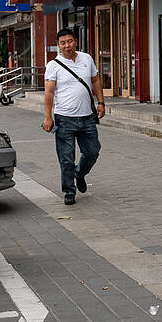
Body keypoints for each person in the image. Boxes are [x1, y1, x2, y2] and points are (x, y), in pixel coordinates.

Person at [41, 28, 105, 206]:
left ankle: (80, 173)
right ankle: (69, 190)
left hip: (87, 117)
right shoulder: (53, 65)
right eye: (63, 43)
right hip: (64, 119)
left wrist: (101, 102)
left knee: (93, 151)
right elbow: (49, 93)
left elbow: (96, 81)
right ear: (58, 45)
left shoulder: (87, 58)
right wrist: (48, 117)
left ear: (75, 41)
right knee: (66, 158)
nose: (67, 45)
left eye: (70, 41)